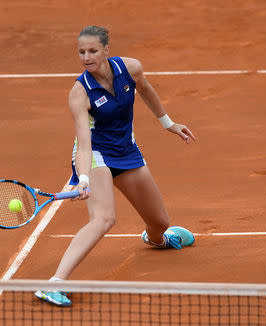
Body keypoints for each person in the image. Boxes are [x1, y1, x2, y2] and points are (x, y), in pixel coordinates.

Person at [35, 25, 196, 306]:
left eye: (92, 51)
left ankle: (156, 239)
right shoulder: (79, 93)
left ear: (107, 50)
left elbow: (145, 89)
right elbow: (84, 143)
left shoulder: (130, 69)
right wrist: (83, 178)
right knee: (104, 219)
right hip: (96, 153)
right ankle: (54, 283)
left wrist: (168, 123)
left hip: (126, 149)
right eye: (82, 52)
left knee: (160, 222)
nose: (86, 57)